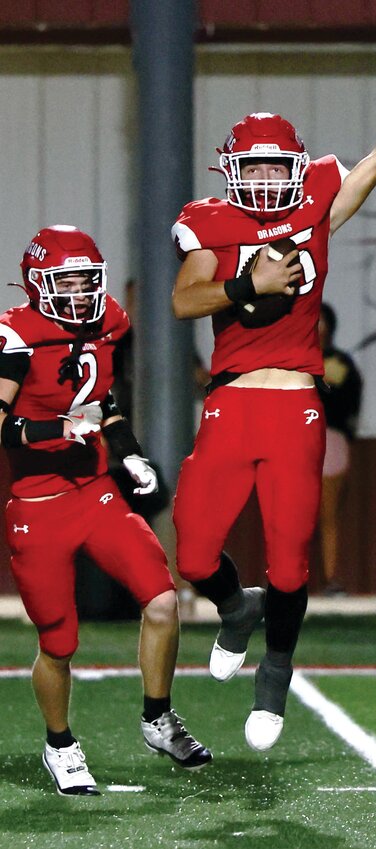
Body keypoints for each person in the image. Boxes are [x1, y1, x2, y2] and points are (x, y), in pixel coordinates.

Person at [170, 53, 376, 752]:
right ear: (232, 173)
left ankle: (277, 669)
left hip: (295, 405)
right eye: (252, 169)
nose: (263, 180)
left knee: (290, 561)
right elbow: (183, 300)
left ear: (294, 168)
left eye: (273, 167)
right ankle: (235, 609)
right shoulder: (208, 222)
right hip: (231, 402)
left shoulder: (318, 200)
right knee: (195, 553)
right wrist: (246, 286)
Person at [1, 225, 211, 796]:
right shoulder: (16, 337)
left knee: (163, 602)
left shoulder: (109, 320)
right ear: (37, 284)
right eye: (64, 280)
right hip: (38, 504)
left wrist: (131, 454)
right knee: (58, 642)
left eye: (85, 279)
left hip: (95, 492)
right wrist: (55, 428)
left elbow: (102, 402)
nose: (77, 291)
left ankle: (158, 718)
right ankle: (61, 744)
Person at [317, 302, 363, 596]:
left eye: (320, 322)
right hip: (291, 441)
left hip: (329, 440)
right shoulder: (287, 358)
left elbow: (347, 402)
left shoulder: (338, 364)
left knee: (328, 514)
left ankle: (331, 579)